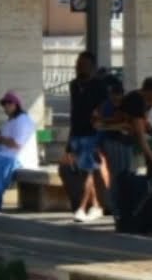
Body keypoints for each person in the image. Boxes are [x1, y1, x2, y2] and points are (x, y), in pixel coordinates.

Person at [98, 77, 152, 234]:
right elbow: (139, 134)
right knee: (120, 178)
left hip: (125, 142)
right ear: (151, 92)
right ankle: (120, 215)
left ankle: (123, 214)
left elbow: (144, 122)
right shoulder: (136, 100)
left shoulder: (144, 101)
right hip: (117, 142)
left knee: (126, 177)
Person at [60, 52, 115, 223]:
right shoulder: (74, 85)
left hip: (92, 134)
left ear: (91, 66)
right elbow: (74, 111)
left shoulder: (99, 86)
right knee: (80, 172)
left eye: (82, 64)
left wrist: (100, 123)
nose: (78, 67)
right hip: (77, 133)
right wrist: (69, 140)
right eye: (77, 64)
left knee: (88, 171)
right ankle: (95, 205)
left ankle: (84, 207)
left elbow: (105, 108)